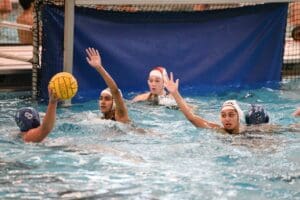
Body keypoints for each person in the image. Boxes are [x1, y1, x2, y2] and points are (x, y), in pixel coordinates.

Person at [164, 72, 245, 134]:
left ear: (238, 117)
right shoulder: (219, 130)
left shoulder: (249, 131)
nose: (227, 119)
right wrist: (175, 93)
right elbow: (192, 118)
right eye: (223, 115)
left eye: (231, 115)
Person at [86, 47, 130, 123]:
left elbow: (115, 91)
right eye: (101, 98)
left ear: (115, 103)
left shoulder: (120, 116)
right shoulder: (99, 119)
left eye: (107, 99)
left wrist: (99, 68)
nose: (102, 102)